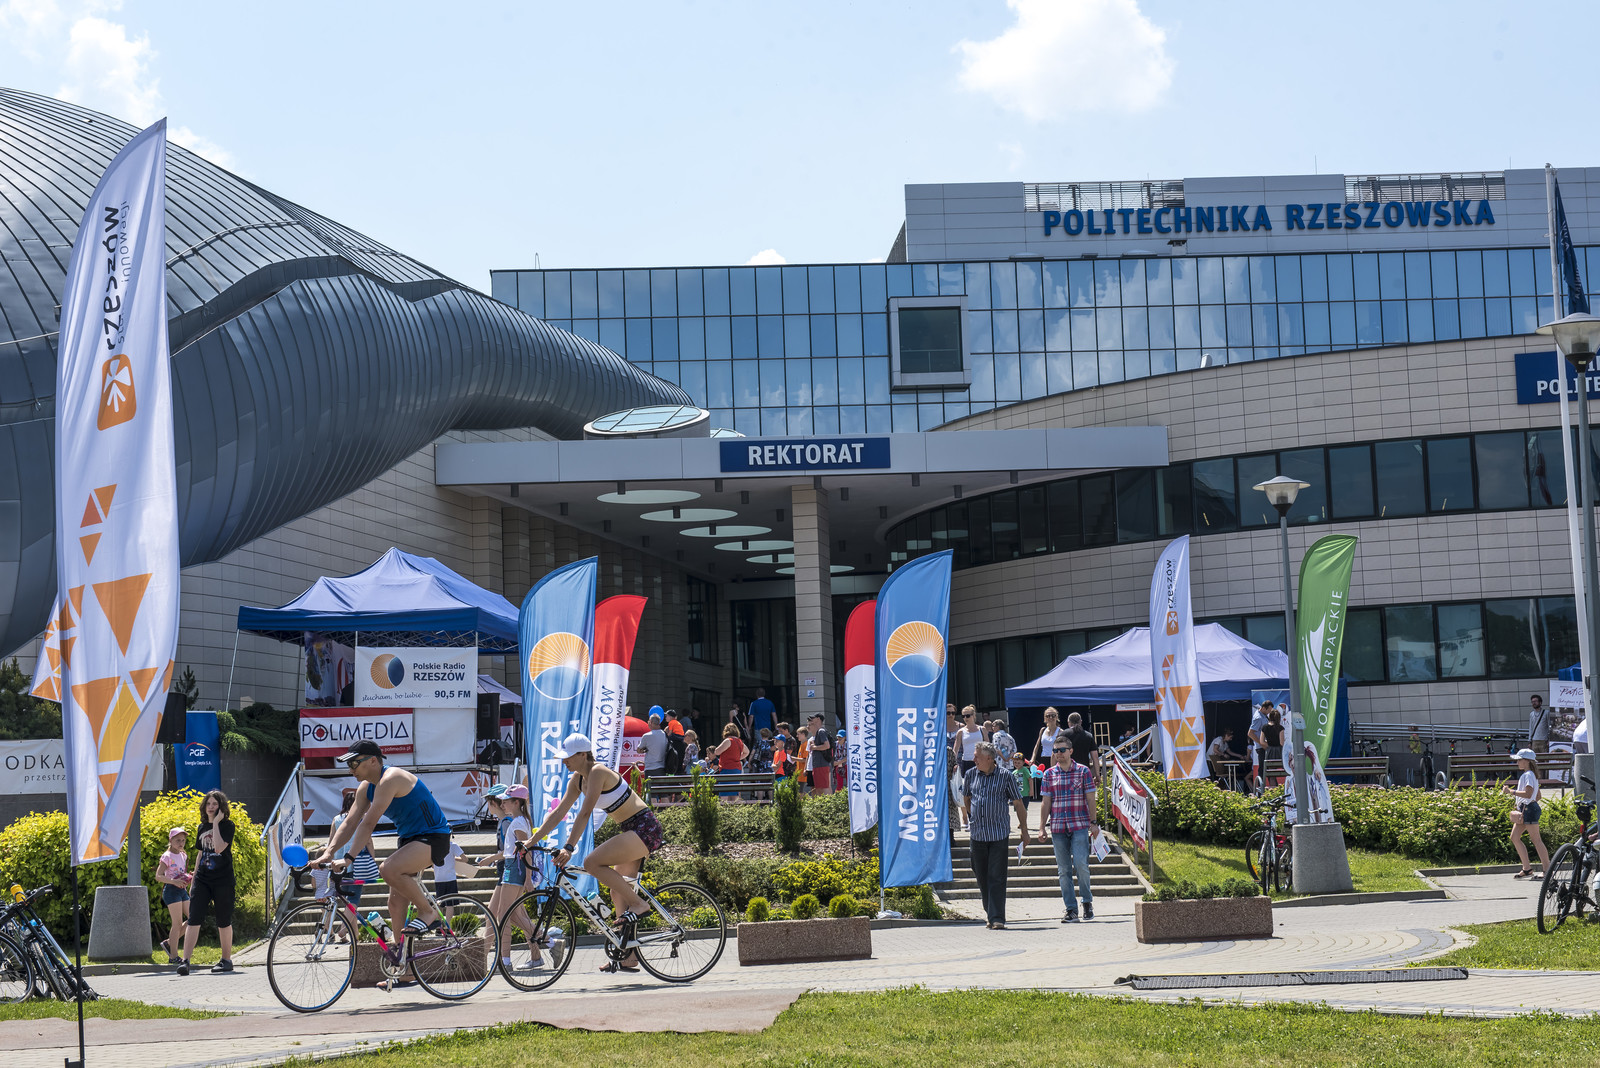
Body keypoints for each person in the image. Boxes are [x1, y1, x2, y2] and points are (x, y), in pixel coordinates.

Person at [531, 733, 667, 974]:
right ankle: (627, 955)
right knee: (617, 892)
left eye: (569, 756)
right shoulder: (578, 779)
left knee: (591, 863)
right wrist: (531, 841)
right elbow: (559, 812)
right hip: (631, 829)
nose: (565, 761)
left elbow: (585, 813)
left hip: (644, 828)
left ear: (583, 755)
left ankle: (640, 904)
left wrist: (569, 847)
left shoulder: (597, 772)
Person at [315, 739, 453, 943]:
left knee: (387, 869)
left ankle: (427, 911)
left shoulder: (391, 778)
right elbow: (350, 822)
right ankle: (401, 958)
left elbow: (367, 824)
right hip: (409, 840)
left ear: (373, 761)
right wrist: (328, 852)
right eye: (349, 765)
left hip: (434, 837)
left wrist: (348, 858)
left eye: (354, 763)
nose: (350, 770)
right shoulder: (365, 787)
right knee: (395, 904)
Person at [961, 742, 1032, 929]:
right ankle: (990, 912)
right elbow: (967, 798)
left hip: (998, 834)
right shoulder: (970, 775)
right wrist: (974, 816)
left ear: (989, 758)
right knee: (981, 876)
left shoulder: (1005, 776)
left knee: (997, 877)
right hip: (977, 834)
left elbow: (1018, 803)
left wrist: (1024, 830)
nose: (974, 759)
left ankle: (997, 917)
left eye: (977, 756)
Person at [176, 790, 237, 976]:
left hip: (223, 880)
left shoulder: (227, 826)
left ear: (221, 807)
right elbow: (201, 853)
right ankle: (185, 961)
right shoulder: (201, 827)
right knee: (194, 918)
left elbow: (218, 848)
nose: (211, 807)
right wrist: (193, 879)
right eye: (208, 804)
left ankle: (226, 960)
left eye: (215, 804)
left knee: (223, 920)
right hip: (203, 879)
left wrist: (216, 823)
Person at [479, 784, 538, 970]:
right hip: (512, 869)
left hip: (514, 869)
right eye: (502, 801)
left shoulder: (516, 822)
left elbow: (526, 851)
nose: (503, 803)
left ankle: (505, 961)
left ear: (516, 802)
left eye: (506, 801)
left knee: (504, 916)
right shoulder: (518, 821)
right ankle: (537, 948)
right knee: (509, 915)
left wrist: (528, 878)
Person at [1038, 742, 1098, 923]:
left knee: (1081, 864)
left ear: (1071, 751)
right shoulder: (1049, 774)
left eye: (1062, 750)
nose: (1059, 753)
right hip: (1058, 827)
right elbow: (1046, 802)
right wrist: (1041, 827)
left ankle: (1087, 902)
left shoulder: (1083, 771)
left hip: (1079, 825)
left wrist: (1094, 823)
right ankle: (1071, 909)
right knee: (1063, 870)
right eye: (1055, 750)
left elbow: (1090, 798)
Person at [1506, 748, 1550, 878]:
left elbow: (1528, 794)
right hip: (1527, 809)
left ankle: (1547, 870)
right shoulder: (1531, 775)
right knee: (1514, 837)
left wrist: (1511, 792)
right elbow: (1537, 796)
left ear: (1527, 761)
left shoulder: (1528, 775)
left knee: (1536, 840)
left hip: (1528, 809)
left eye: (1520, 760)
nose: (1517, 762)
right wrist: (1523, 803)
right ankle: (1527, 868)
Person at [331, 791, 380, 908]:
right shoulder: (361, 819)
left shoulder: (336, 819)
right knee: (353, 898)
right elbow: (368, 842)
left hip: (338, 864)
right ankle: (347, 920)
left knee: (345, 897)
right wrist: (372, 860)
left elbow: (331, 841)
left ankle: (348, 920)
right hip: (357, 864)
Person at [156, 826, 190, 964]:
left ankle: (169, 943)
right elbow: (158, 876)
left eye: (183, 840)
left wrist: (188, 877)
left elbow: (180, 872)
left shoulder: (183, 855)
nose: (181, 843)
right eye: (178, 840)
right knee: (176, 924)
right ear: (171, 840)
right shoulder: (167, 856)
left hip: (182, 890)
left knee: (194, 918)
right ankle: (173, 956)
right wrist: (174, 881)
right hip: (171, 891)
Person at [710, 721, 747, 797]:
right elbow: (747, 752)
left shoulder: (728, 741)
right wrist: (738, 758)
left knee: (724, 793)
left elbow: (717, 752)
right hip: (737, 770)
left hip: (726, 769)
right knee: (734, 793)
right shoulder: (740, 742)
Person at [806, 712, 834, 795]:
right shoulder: (819, 732)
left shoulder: (821, 731)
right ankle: (823, 803)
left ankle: (827, 803)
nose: (811, 721)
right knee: (819, 788)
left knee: (824, 788)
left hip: (822, 764)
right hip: (818, 765)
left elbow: (827, 745)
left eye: (813, 718)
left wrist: (814, 747)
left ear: (818, 719)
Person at [956, 707, 982, 775]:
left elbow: (988, 746)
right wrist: (954, 763)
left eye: (967, 716)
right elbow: (956, 749)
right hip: (966, 761)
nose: (965, 718)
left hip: (981, 760)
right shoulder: (961, 731)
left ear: (973, 715)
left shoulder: (982, 729)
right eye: (963, 716)